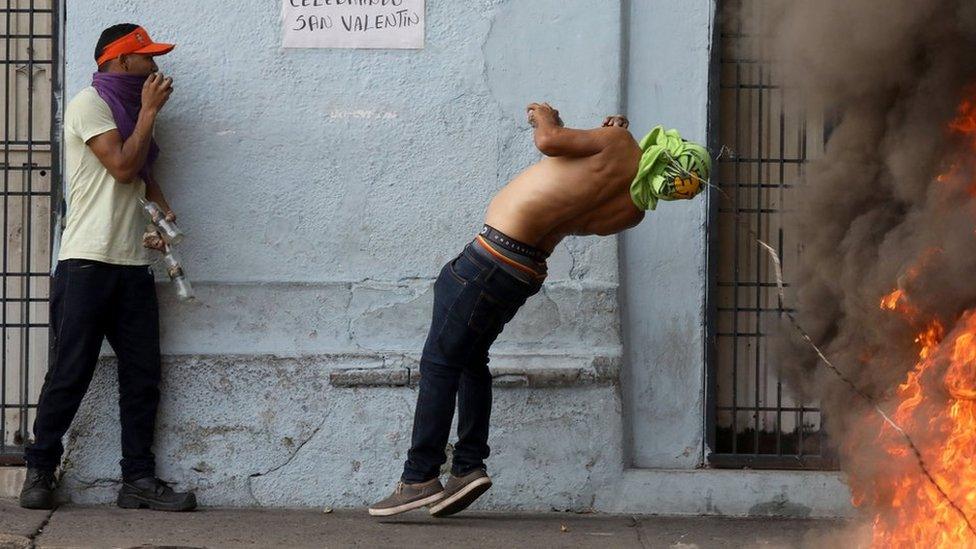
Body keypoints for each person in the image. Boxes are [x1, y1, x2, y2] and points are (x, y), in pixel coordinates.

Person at [369, 103, 711, 518]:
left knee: (440, 362)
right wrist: (607, 141)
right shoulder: (633, 211)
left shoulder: (618, 143)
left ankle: (419, 476)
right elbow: (573, 213)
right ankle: (467, 467)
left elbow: (549, 142)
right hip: (524, 272)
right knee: (470, 360)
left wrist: (547, 115)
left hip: (487, 260)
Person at [19, 23, 196, 512]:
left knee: (143, 377)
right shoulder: (89, 105)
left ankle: (137, 480)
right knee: (70, 372)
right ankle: (40, 470)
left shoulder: (129, 112)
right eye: (148, 59)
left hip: (131, 263)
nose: (157, 67)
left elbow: (139, 175)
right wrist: (150, 112)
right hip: (87, 263)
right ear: (120, 62)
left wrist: (161, 214)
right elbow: (121, 164)